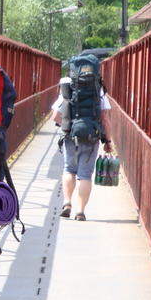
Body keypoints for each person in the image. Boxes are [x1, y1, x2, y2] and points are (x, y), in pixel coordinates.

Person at [51, 77, 112, 221]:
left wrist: (68, 127)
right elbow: (105, 118)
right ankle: (80, 212)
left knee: (69, 169)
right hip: (91, 137)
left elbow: (55, 116)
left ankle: (67, 203)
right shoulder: (98, 89)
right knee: (85, 175)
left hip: (71, 136)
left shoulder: (68, 87)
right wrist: (108, 141)